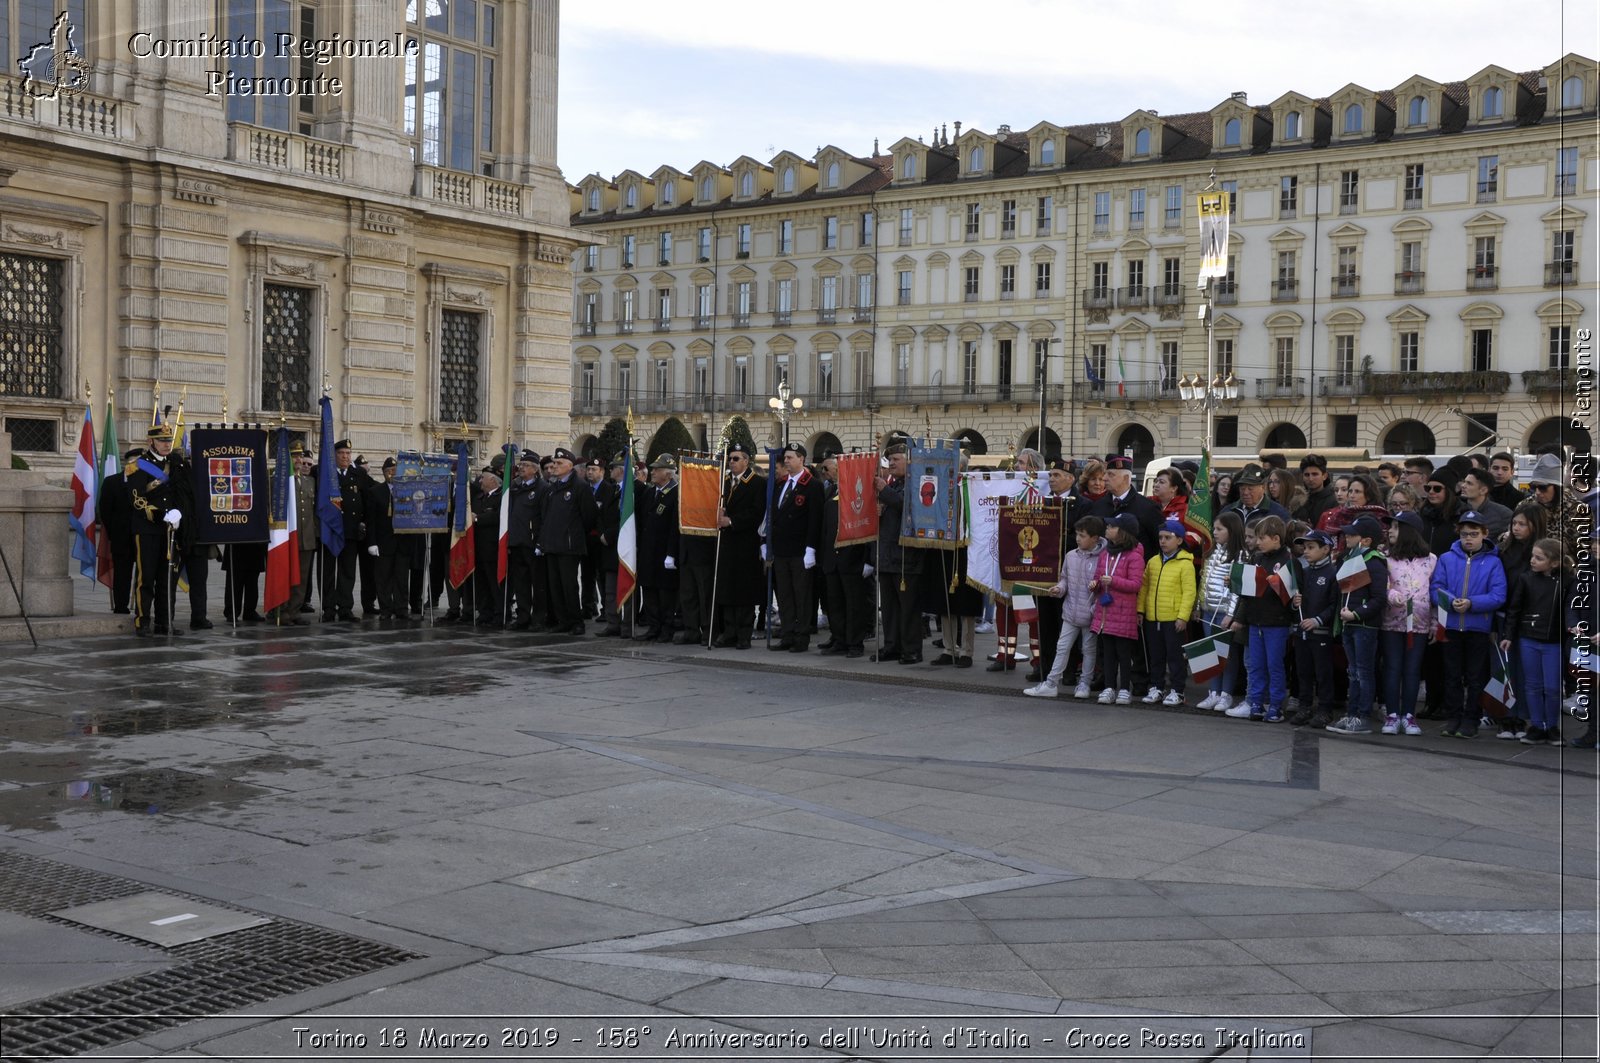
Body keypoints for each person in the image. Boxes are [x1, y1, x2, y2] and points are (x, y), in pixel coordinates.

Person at [1431, 510, 1508, 738]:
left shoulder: (1493, 562)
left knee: (1476, 677)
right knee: (1452, 675)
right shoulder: (1446, 558)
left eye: (1474, 534)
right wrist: (1450, 601)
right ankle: (1453, 717)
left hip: (1478, 628)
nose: (1468, 539)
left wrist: (1472, 603)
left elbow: (1498, 595)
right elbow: (1436, 588)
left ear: (1484, 534)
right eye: (1464, 534)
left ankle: (1471, 718)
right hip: (1452, 626)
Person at [1025, 515, 1105, 699]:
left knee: (1088, 650)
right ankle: (1051, 682)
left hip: (1090, 614)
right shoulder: (1071, 555)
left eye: (1082, 535)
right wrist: (1059, 589)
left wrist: (1095, 609)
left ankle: (1084, 684)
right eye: (1077, 534)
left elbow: (1103, 588)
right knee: (1062, 646)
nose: (1078, 539)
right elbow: (1065, 580)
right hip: (1070, 612)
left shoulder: (1103, 557)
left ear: (1095, 538)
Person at [1226, 515, 1295, 722]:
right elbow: (1246, 593)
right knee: (1256, 664)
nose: (1257, 542)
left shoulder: (1287, 560)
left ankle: (1275, 705)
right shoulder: (1256, 558)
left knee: (1274, 665)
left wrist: (1275, 583)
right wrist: (1234, 583)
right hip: (1255, 621)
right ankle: (1256, 702)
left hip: (1277, 623)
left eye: (1262, 538)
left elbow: (1291, 595)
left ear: (1276, 538)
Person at [127, 422, 194, 636]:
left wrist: (179, 513)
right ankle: (142, 621)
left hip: (170, 532)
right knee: (145, 577)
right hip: (147, 529)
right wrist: (160, 514)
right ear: (150, 442)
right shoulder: (138, 466)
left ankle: (165, 622)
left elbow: (179, 494)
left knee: (167, 579)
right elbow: (137, 499)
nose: (167, 445)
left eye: (168, 441)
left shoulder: (174, 465)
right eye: (162, 441)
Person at [1324, 516, 1389, 735]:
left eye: (1352, 535)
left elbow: (1379, 599)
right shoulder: (1349, 559)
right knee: (1353, 672)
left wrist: (1357, 614)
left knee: (1364, 671)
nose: (1347, 537)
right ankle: (1351, 714)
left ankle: (1362, 716)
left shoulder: (1374, 561)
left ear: (1367, 540)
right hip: (1348, 624)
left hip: (1364, 626)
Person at [1502, 538, 1568, 745]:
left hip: (1554, 641)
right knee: (1532, 684)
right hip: (1529, 639)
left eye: (1539, 558)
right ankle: (1537, 725)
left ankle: (1552, 726)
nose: (1532, 561)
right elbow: (1515, 610)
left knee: (1552, 687)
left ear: (1555, 563)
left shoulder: (1568, 580)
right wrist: (1508, 636)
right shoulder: (1526, 579)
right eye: (1532, 556)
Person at [1377, 511, 1435, 736]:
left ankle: (1409, 715)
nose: (1390, 531)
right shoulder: (1385, 557)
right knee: (1392, 667)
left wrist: (1435, 622)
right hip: (1392, 622)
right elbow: (1381, 585)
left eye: (1395, 527)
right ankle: (1392, 714)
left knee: (1412, 669)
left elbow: (1435, 589)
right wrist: (1391, 595)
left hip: (1419, 624)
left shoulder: (1431, 559)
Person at [536, 446, 601, 636]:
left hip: (570, 545)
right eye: (554, 463)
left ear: (570, 466)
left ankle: (576, 621)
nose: (554, 467)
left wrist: (574, 533)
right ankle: (563, 620)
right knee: (555, 586)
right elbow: (546, 516)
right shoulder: (552, 488)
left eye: (558, 463)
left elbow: (589, 517)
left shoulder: (579, 487)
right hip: (552, 544)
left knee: (568, 585)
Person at [768, 442, 823, 653]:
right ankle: (788, 633)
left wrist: (811, 548)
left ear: (802, 459)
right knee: (784, 595)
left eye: (791, 457)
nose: (787, 461)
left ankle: (802, 636)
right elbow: (773, 516)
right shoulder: (781, 484)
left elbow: (814, 520)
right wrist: (767, 543)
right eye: (786, 458)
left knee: (802, 595)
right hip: (782, 549)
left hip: (801, 550)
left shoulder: (812, 485)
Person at [874, 443, 924, 664]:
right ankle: (891, 645)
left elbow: (910, 506)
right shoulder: (893, 485)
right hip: (887, 554)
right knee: (890, 608)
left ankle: (911, 649)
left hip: (907, 556)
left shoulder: (917, 484)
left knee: (909, 608)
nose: (891, 463)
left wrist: (884, 492)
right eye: (890, 460)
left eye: (896, 459)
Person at [1138, 518, 1197, 707]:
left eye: (1168, 537)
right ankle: (1156, 686)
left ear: (1179, 540)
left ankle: (1177, 690)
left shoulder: (1185, 564)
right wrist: (1141, 610)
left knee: (1175, 656)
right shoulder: (1153, 561)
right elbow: (1145, 587)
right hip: (1152, 617)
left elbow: (1189, 592)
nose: (1162, 541)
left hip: (1172, 618)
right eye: (1160, 538)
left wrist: (1182, 616)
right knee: (1156, 655)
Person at [713, 443, 765, 649]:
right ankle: (729, 631)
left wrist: (732, 521)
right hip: (726, 543)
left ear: (746, 460)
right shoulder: (724, 482)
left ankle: (744, 633)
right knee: (727, 589)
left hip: (745, 543)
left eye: (735, 459)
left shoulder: (756, 483)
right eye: (730, 459)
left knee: (744, 591)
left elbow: (756, 512)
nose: (731, 462)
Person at [1089, 513, 1144, 705]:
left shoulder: (1135, 556)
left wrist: (1114, 581)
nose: (1107, 529)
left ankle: (1124, 689)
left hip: (1123, 612)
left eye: (1112, 526)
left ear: (1122, 532)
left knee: (1124, 653)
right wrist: (1095, 584)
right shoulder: (1105, 554)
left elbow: (1136, 584)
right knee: (1108, 653)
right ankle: (1109, 687)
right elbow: (1098, 576)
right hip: (1105, 612)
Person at [1287, 529, 1339, 728]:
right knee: (1303, 671)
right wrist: (1295, 603)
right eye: (1304, 547)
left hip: (1321, 632)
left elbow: (1334, 604)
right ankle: (1305, 706)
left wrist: (1318, 619)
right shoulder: (1304, 572)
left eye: (1311, 547)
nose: (1306, 551)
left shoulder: (1332, 573)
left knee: (1323, 673)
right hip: (1302, 631)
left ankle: (1325, 709)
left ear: (1325, 549)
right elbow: (1296, 601)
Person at [1196, 511, 1244, 713]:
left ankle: (1226, 694)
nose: (1214, 532)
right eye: (1214, 528)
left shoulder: (1240, 555)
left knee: (1227, 655)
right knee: (1210, 653)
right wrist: (1198, 606)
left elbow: (1237, 589)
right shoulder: (1211, 552)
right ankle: (1213, 693)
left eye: (1219, 529)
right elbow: (1203, 581)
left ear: (1231, 531)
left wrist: (1231, 614)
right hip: (1208, 611)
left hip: (1223, 613)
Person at [321, 438, 367, 622]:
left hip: (350, 531)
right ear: (335, 455)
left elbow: (368, 497)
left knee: (347, 571)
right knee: (328, 572)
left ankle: (346, 607)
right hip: (331, 530)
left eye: (348, 453)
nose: (345, 456)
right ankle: (329, 608)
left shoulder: (358, 475)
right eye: (341, 453)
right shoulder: (326, 474)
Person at [98, 448, 141, 614]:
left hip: (143, 536)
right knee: (122, 574)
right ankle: (121, 606)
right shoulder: (112, 482)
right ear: (127, 463)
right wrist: (115, 532)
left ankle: (140, 607)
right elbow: (105, 510)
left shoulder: (148, 482)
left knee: (144, 575)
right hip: (121, 537)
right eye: (134, 462)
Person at [471, 459, 505, 625]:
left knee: (494, 583)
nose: (480, 480)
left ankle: (499, 614)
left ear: (493, 480)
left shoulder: (501, 497)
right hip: (477, 547)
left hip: (493, 547)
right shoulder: (478, 497)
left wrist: (477, 517)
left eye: (483, 477)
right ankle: (484, 612)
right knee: (482, 583)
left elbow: (498, 516)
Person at [1221, 463, 1289, 524]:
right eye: (1242, 488)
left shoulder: (1278, 513)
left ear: (1263, 487)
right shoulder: (1228, 512)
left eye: (1250, 489)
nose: (1245, 492)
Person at [1457, 468, 1513, 540]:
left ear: (1483, 490)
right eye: (1464, 482)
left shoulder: (1503, 514)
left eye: (1469, 483)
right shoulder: (1456, 510)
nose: (1463, 485)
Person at [1296, 455, 1338, 528]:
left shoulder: (1334, 500)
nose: (1310, 478)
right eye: (1307, 475)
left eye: (1315, 474)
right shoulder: (1297, 500)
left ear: (1324, 476)